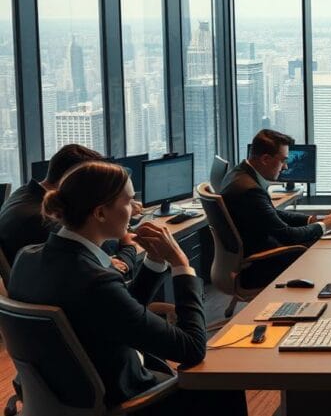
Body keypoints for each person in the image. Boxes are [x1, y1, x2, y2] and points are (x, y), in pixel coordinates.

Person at [7, 161, 247, 415]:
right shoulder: (95, 281)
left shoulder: (27, 258)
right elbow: (191, 349)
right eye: (129, 201)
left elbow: (120, 312)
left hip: (63, 397)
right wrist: (182, 267)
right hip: (126, 401)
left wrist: (154, 262)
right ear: (100, 213)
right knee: (224, 381)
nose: (136, 209)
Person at [220, 129, 331, 288]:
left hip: (250, 256)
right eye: (283, 160)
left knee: (319, 238)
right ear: (266, 159)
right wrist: (325, 225)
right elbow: (288, 236)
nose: (286, 167)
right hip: (259, 266)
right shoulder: (249, 190)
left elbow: (269, 213)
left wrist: (312, 220)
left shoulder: (238, 174)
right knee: (323, 250)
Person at [0, 144, 140, 278]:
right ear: (72, 179)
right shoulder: (47, 220)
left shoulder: (24, 192)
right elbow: (108, 262)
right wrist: (128, 245)